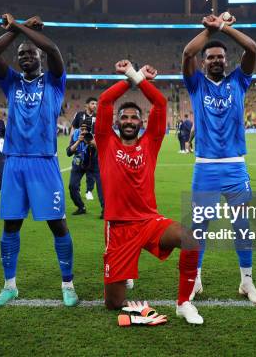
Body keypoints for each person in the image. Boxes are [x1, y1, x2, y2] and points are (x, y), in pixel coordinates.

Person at [97, 60, 203, 325]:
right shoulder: (105, 141)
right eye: (125, 117)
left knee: (190, 238)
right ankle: (125, 273)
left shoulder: (150, 142)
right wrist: (131, 78)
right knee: (113, 304)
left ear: (141, 123)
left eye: (135, 118)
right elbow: (104, 101)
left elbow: (161, 104)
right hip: (119, 228)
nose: (130, 121)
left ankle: (184, 303)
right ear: (118, 122)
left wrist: (141, 78)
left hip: (147, 221)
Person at [0, 13, 78, 307]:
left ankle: (68, 285)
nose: (25, 56)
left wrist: (23, 28)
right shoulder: (11, 82)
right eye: (21, 54)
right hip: (14, 162)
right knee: (10, 226)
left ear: (39, 58)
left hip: (44, 162)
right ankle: (10, 285)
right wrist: (16, 29)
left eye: (30, 53)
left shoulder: (54, 82)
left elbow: (53, 51)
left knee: (58, 225)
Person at [182, 12, 256, 304]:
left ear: (226, 61)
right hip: (205, 168)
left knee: (242, 226)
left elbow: (252, 49)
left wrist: (225, 28)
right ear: (204, 63)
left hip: (235, 167)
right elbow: (187, 51)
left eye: (220, 57)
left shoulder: (239, 82)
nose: (216, 61)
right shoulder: (196, 85)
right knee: (199, 228)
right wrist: (211, 29)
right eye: (211, 58)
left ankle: (246, 282)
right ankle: (196, 281)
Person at [67, 120, 104, 218]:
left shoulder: (94, 136)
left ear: (90, 129)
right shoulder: (75, 135)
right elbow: (68, 152)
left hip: (94, 164)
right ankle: (81, 207)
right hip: (79, 163)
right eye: (81, 129)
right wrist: (78, 141)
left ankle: (105, 210)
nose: (83, 131)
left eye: (85, 129)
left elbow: (104, 151)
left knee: (101, 186)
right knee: (72, 186)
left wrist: (92, 142)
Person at [70, 97, 98, 200]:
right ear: (86, 105)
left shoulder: (97, 116)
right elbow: (74, 127)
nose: (94, 105)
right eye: (92, 103)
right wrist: (72, 141)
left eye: (96, 104)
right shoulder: (79, 115)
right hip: (81, 145)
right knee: (78, 166)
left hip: (92, 145)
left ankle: (89, 190)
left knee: (91, 169)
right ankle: (77, 188)